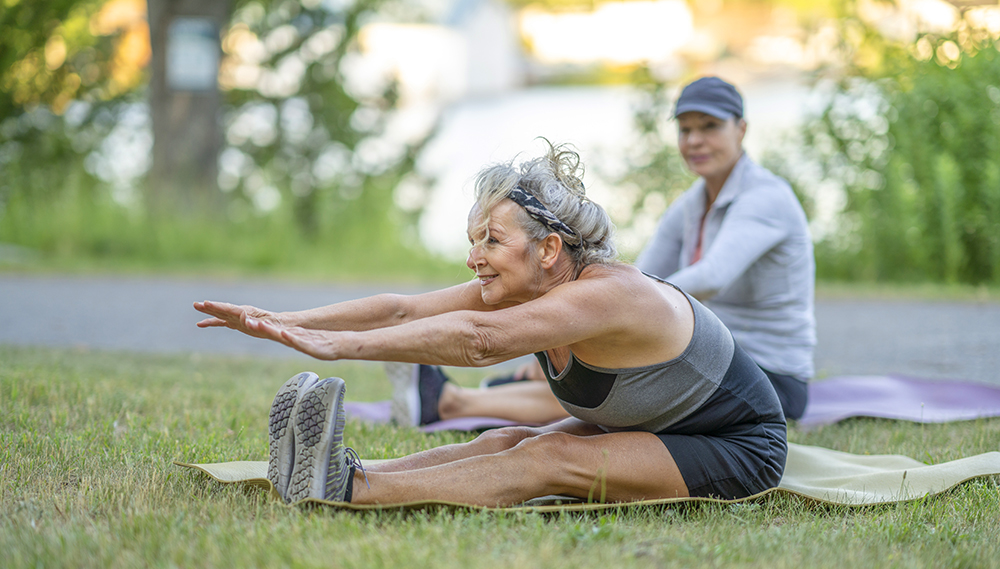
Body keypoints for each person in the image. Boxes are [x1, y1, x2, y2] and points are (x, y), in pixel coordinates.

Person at [193, 141, 787, 507]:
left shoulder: (611, 296)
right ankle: (345, 469)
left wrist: (339, 346)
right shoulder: (527, 280)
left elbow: (480, 342)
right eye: (473, 240)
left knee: (546, 458)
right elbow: (404, 309)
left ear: (549, 249)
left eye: (491, 240)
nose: (475, 256)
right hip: (664, 426)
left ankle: (346, 490)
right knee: (503, 439)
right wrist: (278, 321)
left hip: (736, 446)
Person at [394, 75, 815, 426]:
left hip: (765, 377)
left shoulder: (766, 199)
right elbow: (642, 273)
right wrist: (588, 320)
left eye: (710, 127)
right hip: (707, 360)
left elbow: (710, 277)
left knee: (619, 381)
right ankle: (477, 393)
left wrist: (612, 317)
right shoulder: (693, 203)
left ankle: (452, 402)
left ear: (741, 129)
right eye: (686, 129)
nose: (695, 140)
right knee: (595, 356)